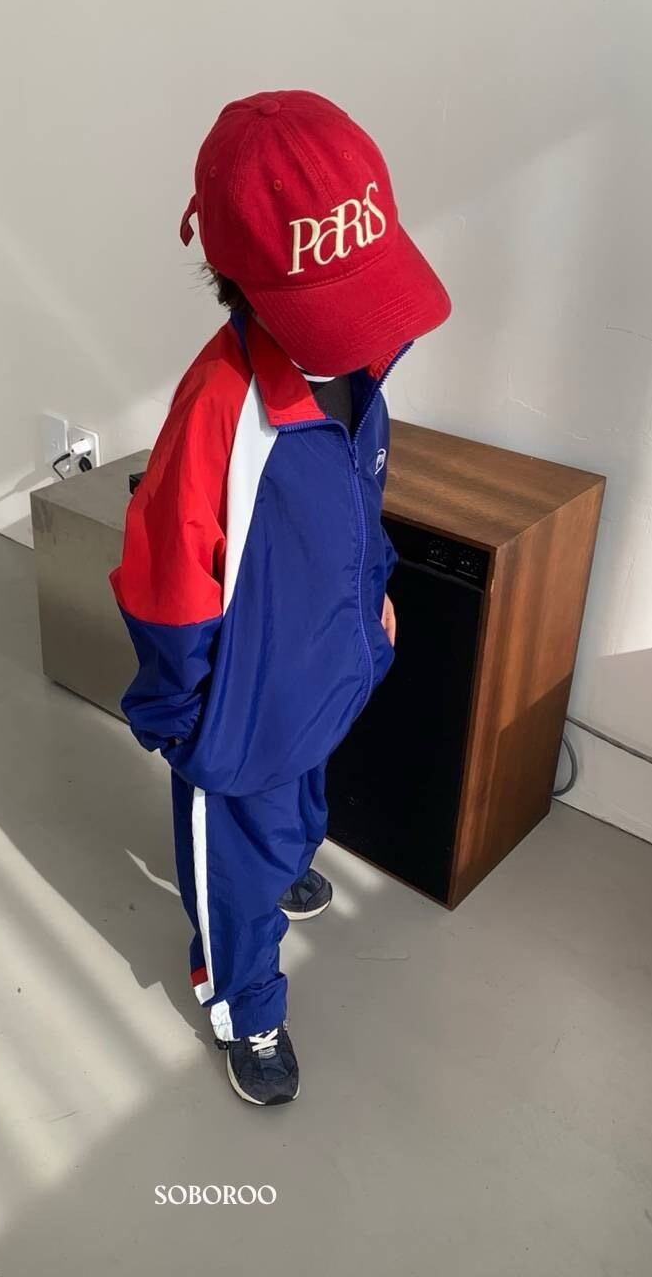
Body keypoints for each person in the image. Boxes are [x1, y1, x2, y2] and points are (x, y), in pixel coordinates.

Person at [110, 90, 451, 1105]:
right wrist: (181, 713)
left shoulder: (359, 371)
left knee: (301, 797)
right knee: (236, 862)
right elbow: (166, 580)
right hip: (242, 704)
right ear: (240, 277)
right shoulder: (222, 408)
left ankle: (287, 861)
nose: (359, 330)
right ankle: (244, 1000)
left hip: (319, 670)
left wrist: (370, 596)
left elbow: (355, 504)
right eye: (331, 303)